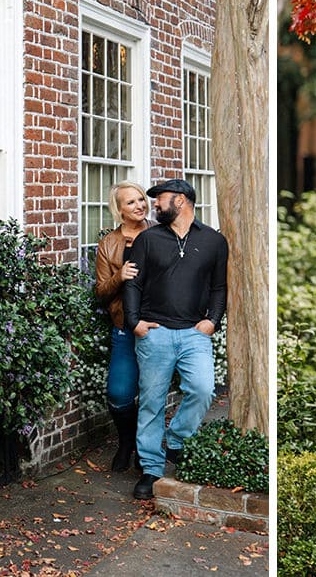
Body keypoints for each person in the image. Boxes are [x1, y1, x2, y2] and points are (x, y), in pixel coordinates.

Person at [121, 178, 228, 500]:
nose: (153, 205)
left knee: (202, 388)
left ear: (180, 201)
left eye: (160, 199)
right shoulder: (148, 239)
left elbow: (219, 287)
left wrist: (213, 321)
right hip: (155, 334)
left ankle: (177, 440)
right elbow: (133, 284)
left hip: (194, 333)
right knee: (151, 403)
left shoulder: (213, 241)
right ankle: (151, 469)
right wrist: (134, 322)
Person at [93, 181, 154, 472]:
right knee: (119, 392)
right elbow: (102, 291)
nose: (139, 205)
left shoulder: (159, 234)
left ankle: (146, 450)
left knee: (152, 392)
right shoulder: (109, 244)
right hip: (123, 329)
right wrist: (121, 276)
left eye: (141, 199)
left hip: (157, 327)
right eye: (131, 202)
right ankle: (126, 441)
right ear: (119, 210)